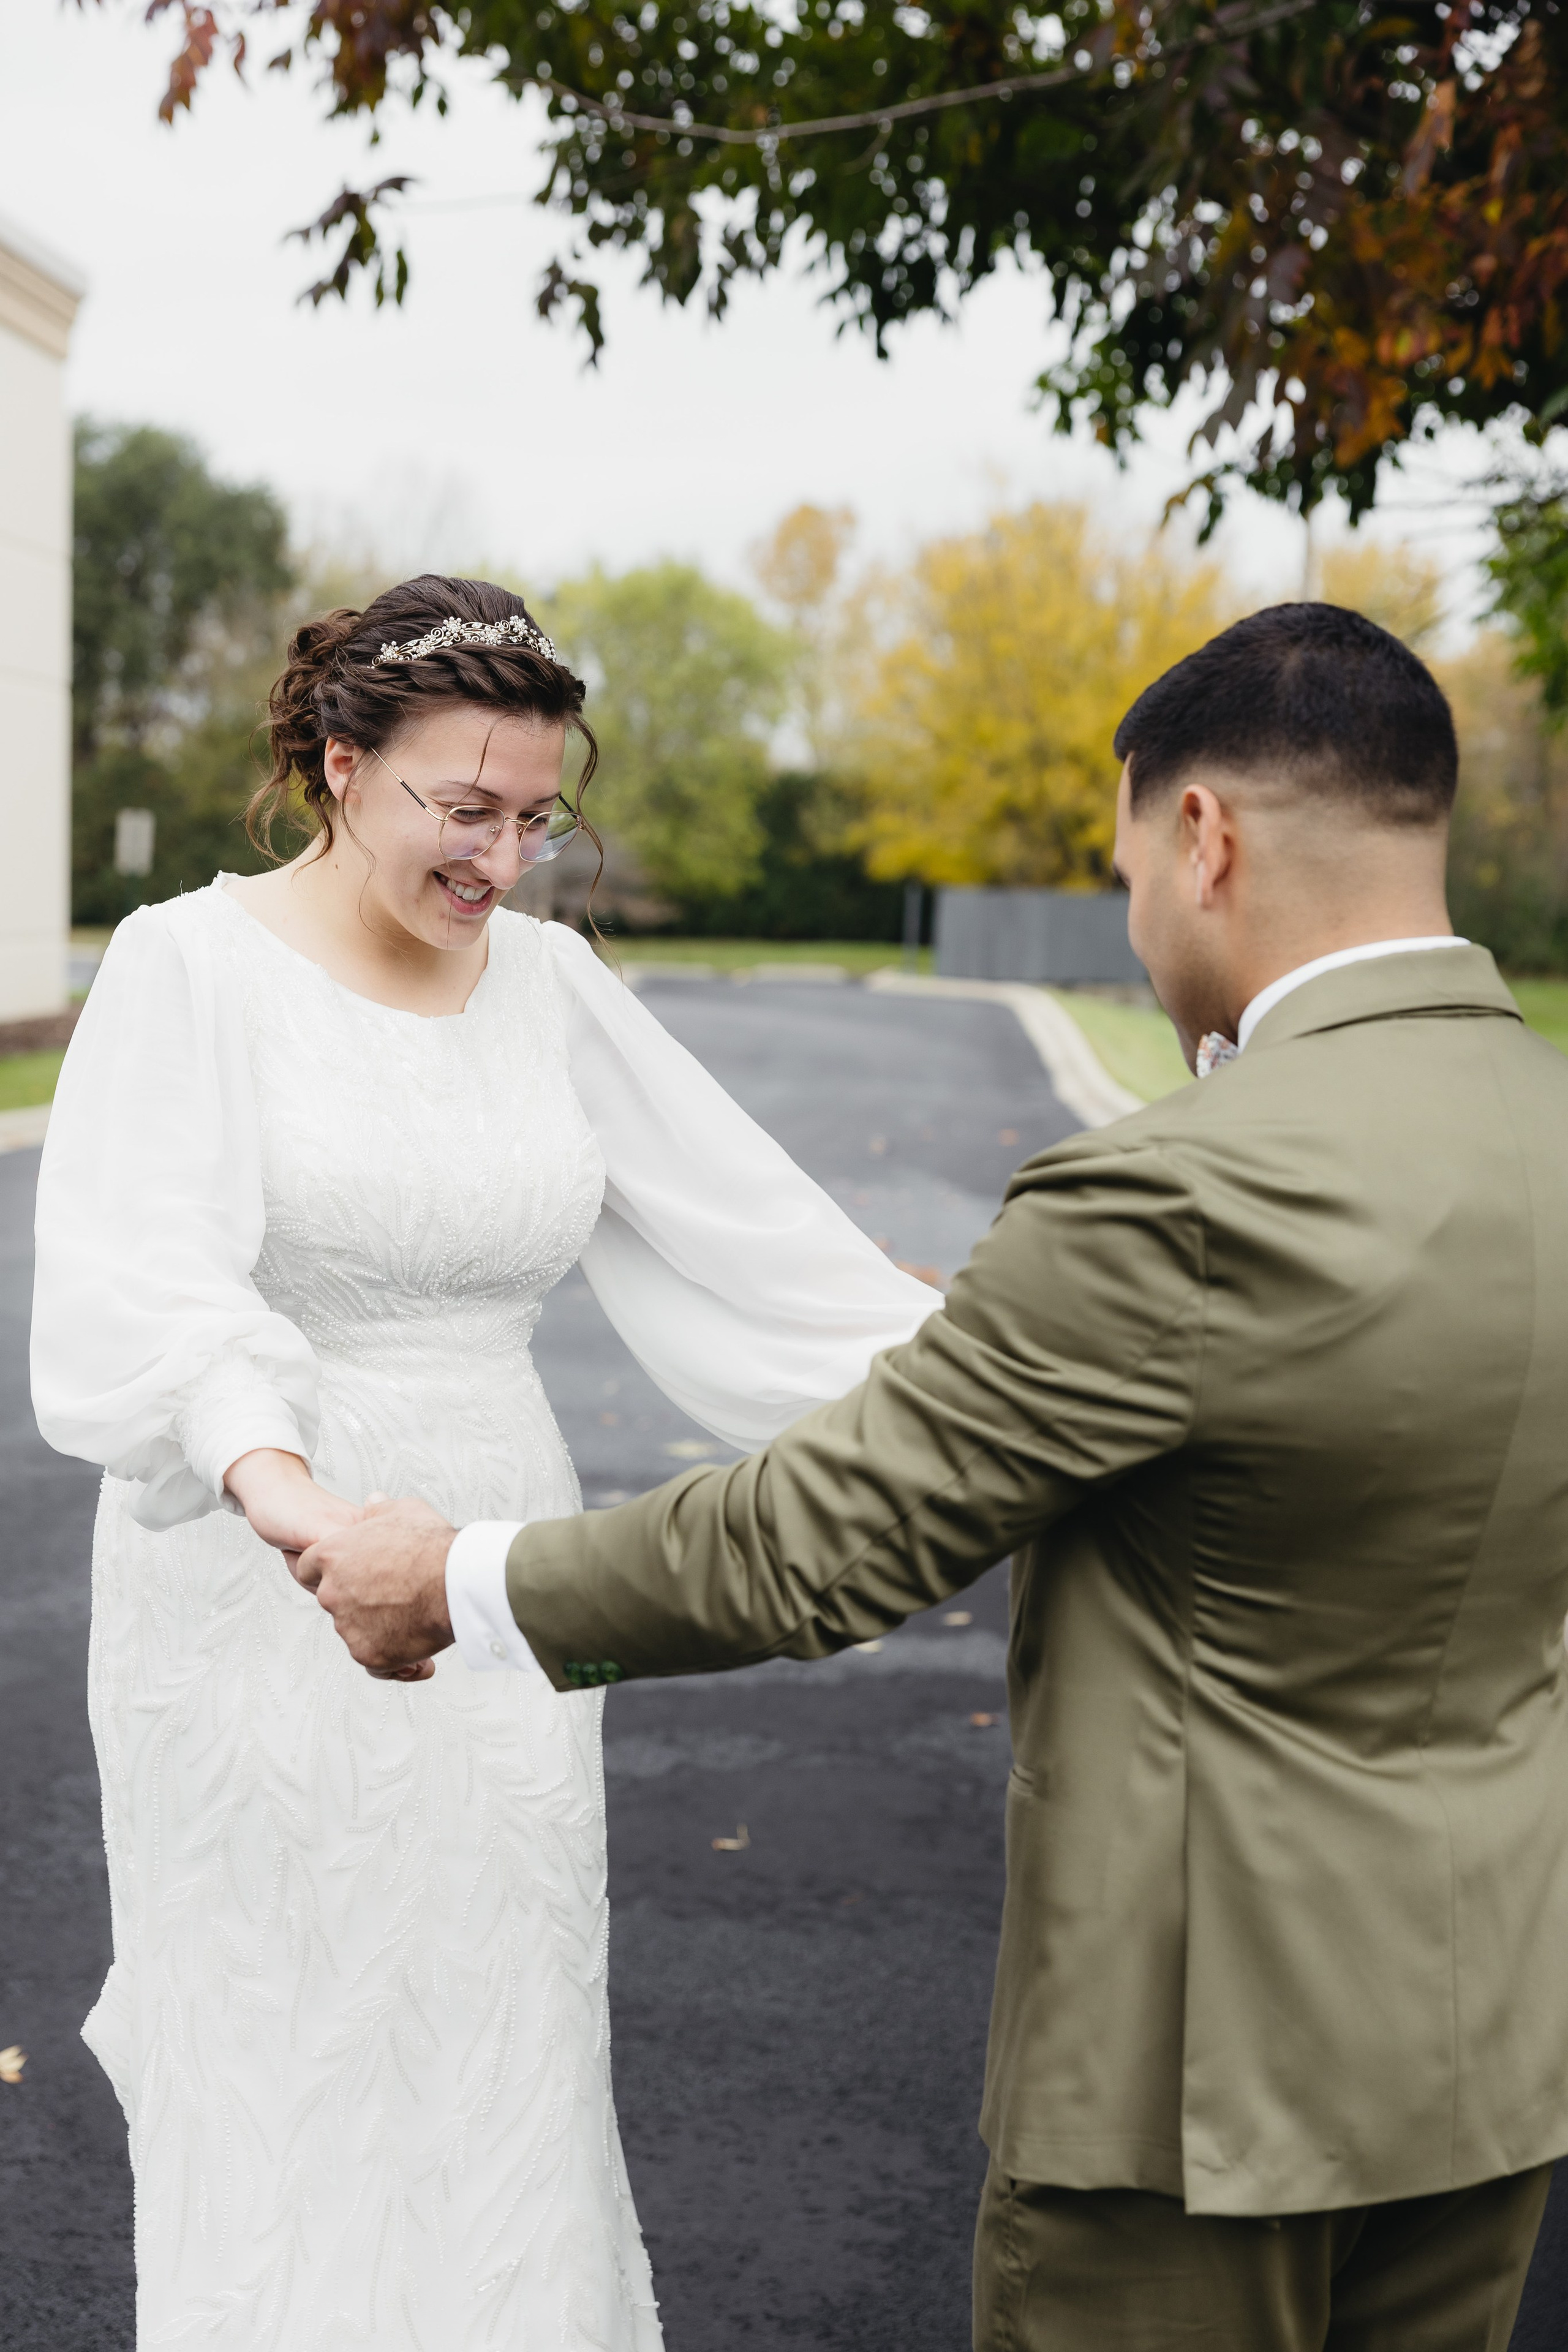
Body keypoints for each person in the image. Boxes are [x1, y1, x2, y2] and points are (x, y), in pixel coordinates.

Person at [302, 601, 1568, 2352]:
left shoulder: (1178, 1195)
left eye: (1128, 871)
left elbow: (808, 1549)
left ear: (1204, 837)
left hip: (1190, 2098)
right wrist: (995, 1331)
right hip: (1489, 2065)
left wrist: (454, 1580)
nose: (1140, 920)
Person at [30, 574, 939, 2350]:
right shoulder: (186, 965)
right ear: (341, 764)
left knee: (501, 2026)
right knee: (289, 2040)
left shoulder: (551, 986)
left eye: (538, 819)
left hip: (498, 1569)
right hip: (251, 1573)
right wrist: (301, 1512)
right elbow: (156, 1289)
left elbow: (762, 1241)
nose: (504, 861)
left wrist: (1017, 1372)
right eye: (466, 809)